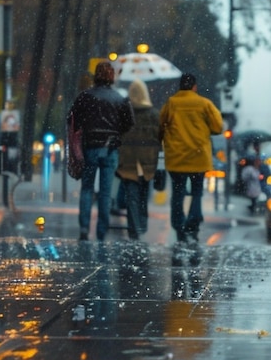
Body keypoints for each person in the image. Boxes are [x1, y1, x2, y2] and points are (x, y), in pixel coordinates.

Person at [68, 61, 134, 241]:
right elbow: (129, 123)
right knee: (106, 192)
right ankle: (101, 231)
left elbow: (73, 119)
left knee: (87, 188)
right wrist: (116, 132)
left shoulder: (85, 97)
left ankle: (84, 227)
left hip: (90, 147)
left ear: (95, 75)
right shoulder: (119, 99)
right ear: (112, 76)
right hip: (111, 148)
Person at [159, 72, 223, 243]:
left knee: (178, 193)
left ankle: (179, 227)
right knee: (197, 192)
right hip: (198, 156)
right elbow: (218, 127)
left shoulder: (171, 103)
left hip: (176, 157)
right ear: (194, 87)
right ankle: (193, 225)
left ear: (180, 86)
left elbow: (161, 125)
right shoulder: (204, 104)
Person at [116, 79, 161, 240]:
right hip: (147, 163)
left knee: (132, 198)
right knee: (143, 197)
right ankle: (141, 225)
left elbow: (118, 137)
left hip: (128, 162)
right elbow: (160, 139)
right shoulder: (154, 115)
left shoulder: (123, 114)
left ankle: (134, 229)